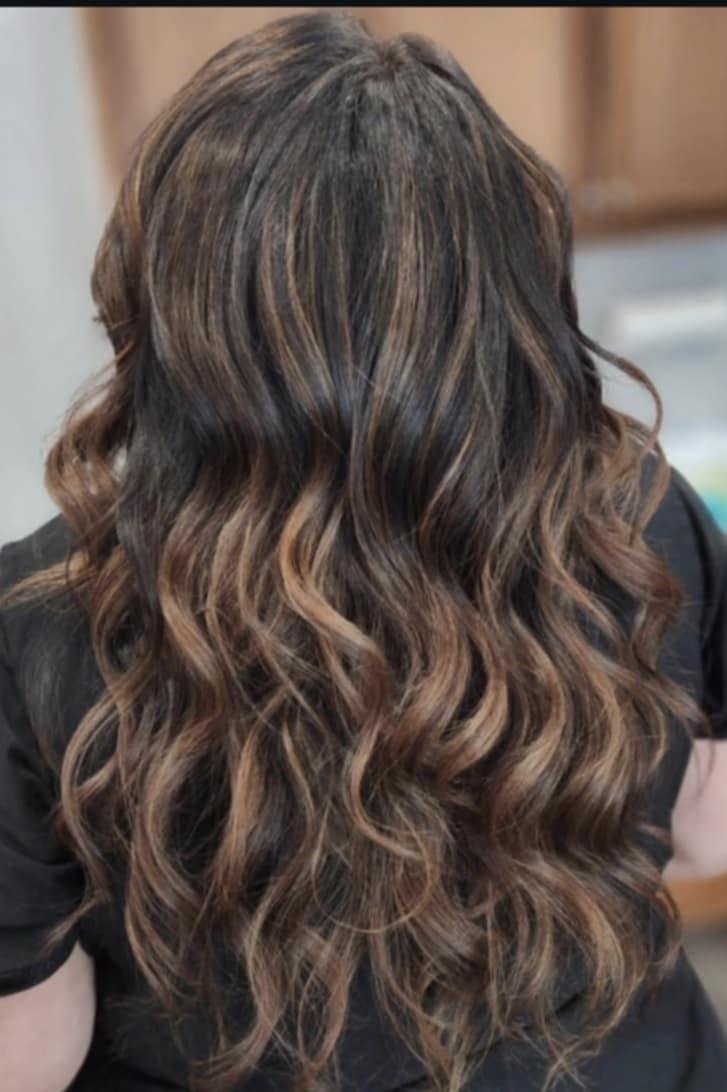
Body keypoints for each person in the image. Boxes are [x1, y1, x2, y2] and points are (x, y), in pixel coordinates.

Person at [1, 10, 726, 1092]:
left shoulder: (39, 625)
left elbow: (30, 1056)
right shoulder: (642, 523)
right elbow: (706, 837)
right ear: (506, 298)